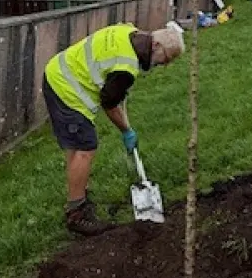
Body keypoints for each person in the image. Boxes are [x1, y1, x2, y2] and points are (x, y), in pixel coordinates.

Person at [43, 21, 185, 235]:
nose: (162, 65)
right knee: (86, 146)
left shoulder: (129, 32)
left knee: (77, 145)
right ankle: (77, 214)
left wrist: (122, 98)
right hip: (67, 87)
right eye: (165, 59)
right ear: (155, 45)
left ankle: (77, 196)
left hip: (58, 71)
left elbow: (116, 92)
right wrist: (126, 130)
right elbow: (109, 103)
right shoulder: (125, 68)